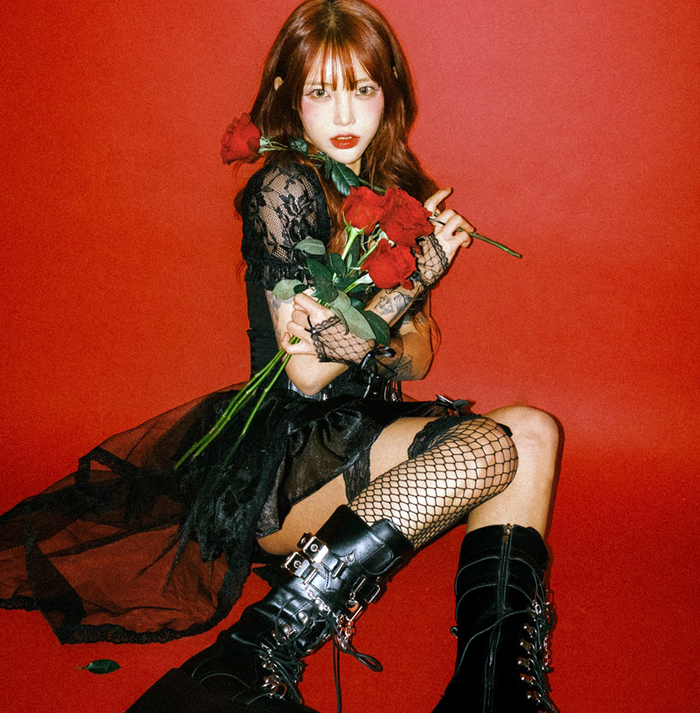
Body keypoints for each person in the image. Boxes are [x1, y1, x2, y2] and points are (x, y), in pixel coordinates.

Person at [0, 1, 559, 712]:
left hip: (364, 434)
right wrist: (410, 281)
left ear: (388, 92)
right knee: (486, 447)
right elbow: (306, 371)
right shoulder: (285, 188)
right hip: (287, 460)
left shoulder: (393, 193)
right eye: (320, 91)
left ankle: (492, 690)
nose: (344, 113)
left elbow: (414, 359)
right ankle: (248, 654)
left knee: (533, 432)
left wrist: (381, 309)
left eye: (362, 88)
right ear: (289, 97)